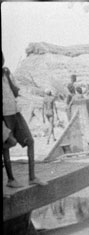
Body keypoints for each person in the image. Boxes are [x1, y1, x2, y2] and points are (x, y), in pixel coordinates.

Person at [2, 52, 47, 187]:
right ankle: (10, 179)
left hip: (15, 112)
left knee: (30, 141)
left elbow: (15, 92)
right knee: (6, 145)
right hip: (4, 115)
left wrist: (8, 78)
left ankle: (32, 177)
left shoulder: (6, 73)